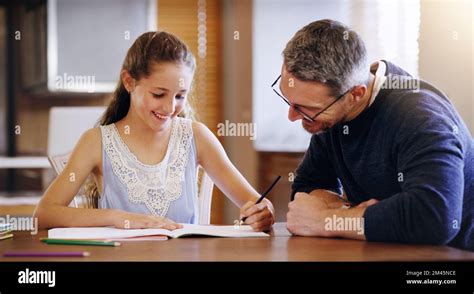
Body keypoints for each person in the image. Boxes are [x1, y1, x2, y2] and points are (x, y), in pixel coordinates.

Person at [34, 31, 274, 232]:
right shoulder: (96, 142)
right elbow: (44, 214)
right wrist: (118, 217)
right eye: (158, 94)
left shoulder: (196, 137)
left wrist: (263, 213)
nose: (170, 108)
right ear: (129, 82)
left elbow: (257, 203)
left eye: (180, 96)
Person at [277, 19, 473, 250]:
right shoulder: (331, 115)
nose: (292, 116)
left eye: (306, 108)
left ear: (356, 94)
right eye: (288, 100)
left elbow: (435, 218)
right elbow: (307, 190)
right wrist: (351, 214)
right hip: (393, 253)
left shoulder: (420, 117)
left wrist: (327, 220)